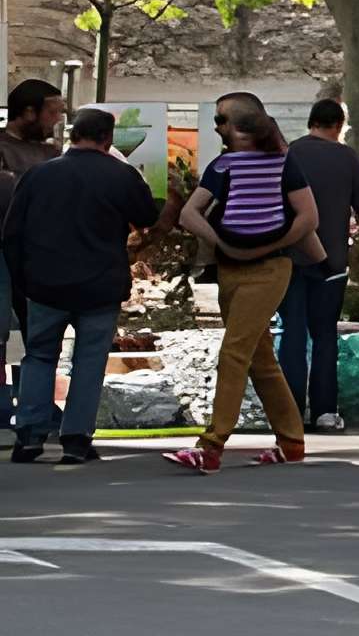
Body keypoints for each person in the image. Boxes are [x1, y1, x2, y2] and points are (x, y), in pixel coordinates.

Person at [173, 96, 319, 471]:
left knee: (234, 352)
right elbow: (189, 214)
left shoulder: (284, 165)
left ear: (242, 128)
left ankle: (211, 445)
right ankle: (291, 442)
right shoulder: (222, 165)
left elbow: (308, 217)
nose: (217, 127)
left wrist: (268, 245)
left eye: (221, 120)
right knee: (260, 358)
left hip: (268, 268)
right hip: (234, 269)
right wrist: (224, 244)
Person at [4, 106, 157, 465]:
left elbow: (12, 233)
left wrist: (23, 279)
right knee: (89, 362)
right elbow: (148, 216)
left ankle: (29, 437)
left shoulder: (37, 175)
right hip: (100, 287)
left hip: (45, 286)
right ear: (108, 138)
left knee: (39, 356)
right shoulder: (121, 175)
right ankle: (75, 439)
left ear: (72, 135)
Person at [273, 93, 359, 435]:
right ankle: (324, 410)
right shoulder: (345, 157)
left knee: (291, 331)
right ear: (338, 126)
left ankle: (288, 409)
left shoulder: (289, 154)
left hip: (289, 255)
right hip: (331, 259)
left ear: (309, 122)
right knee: (324, 335)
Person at [0, 78, 64, 381]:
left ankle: (34, 403)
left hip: (40, 256)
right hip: (5, 251)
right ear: (28, 112)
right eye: (52, 113)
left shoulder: (53, 155)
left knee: (39, 334)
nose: (57, 121)